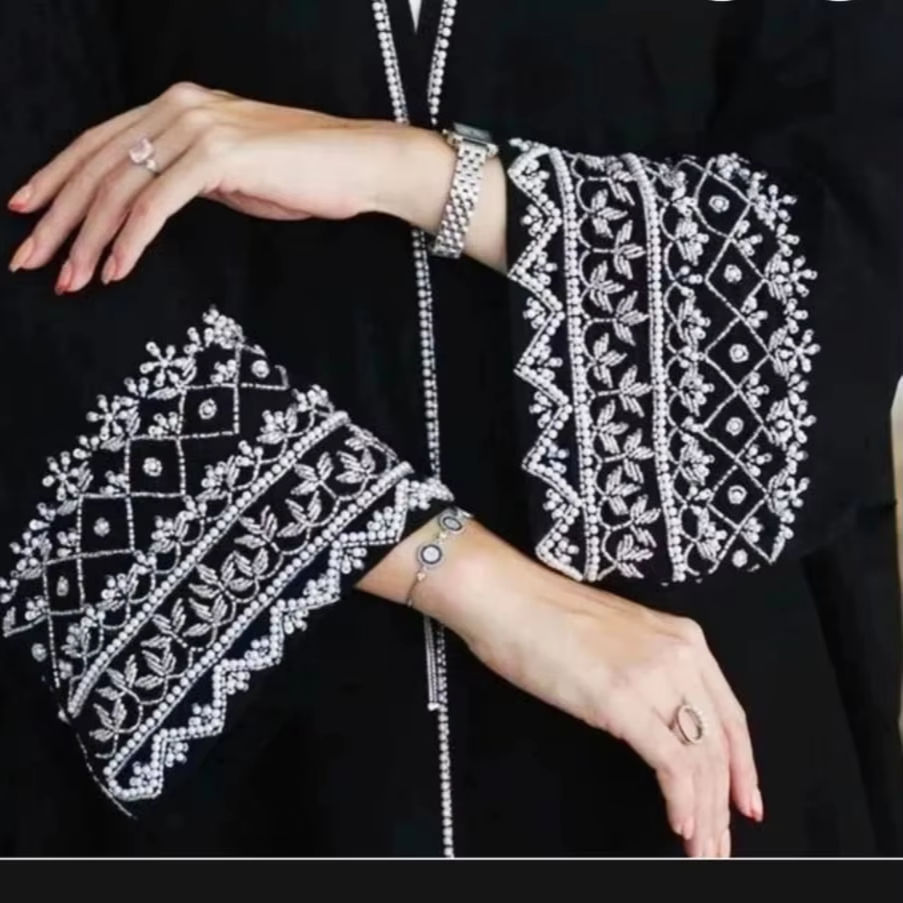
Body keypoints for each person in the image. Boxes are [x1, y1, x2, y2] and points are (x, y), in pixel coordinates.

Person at [1, 0, 902, 858]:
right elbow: (33, 282)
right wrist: (477, 584)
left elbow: (849, 252)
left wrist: (410, 171)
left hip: (685, 716)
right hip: (249, 717)